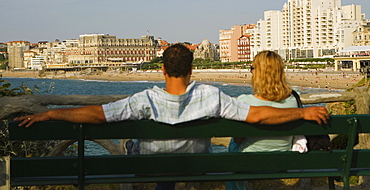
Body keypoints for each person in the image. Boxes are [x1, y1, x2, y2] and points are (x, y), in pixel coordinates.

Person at [15, 44, 329, 190]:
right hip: (197, 163)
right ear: (192, 70)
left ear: (162, 70)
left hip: (151, 165)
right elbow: (256, 116)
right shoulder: (209, 95)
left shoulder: (146, 98)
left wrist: (53, 113)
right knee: (178, 150)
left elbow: (98, 115)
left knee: (138, 148)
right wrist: (301, 110)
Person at [226, 50, 301, 190]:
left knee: (233, 147)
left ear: (258, 73)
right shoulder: (294, 99)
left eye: (252, 68)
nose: (251, 72)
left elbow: (238, 138)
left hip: (250, 164)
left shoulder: (244, 101)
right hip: (284, 162)